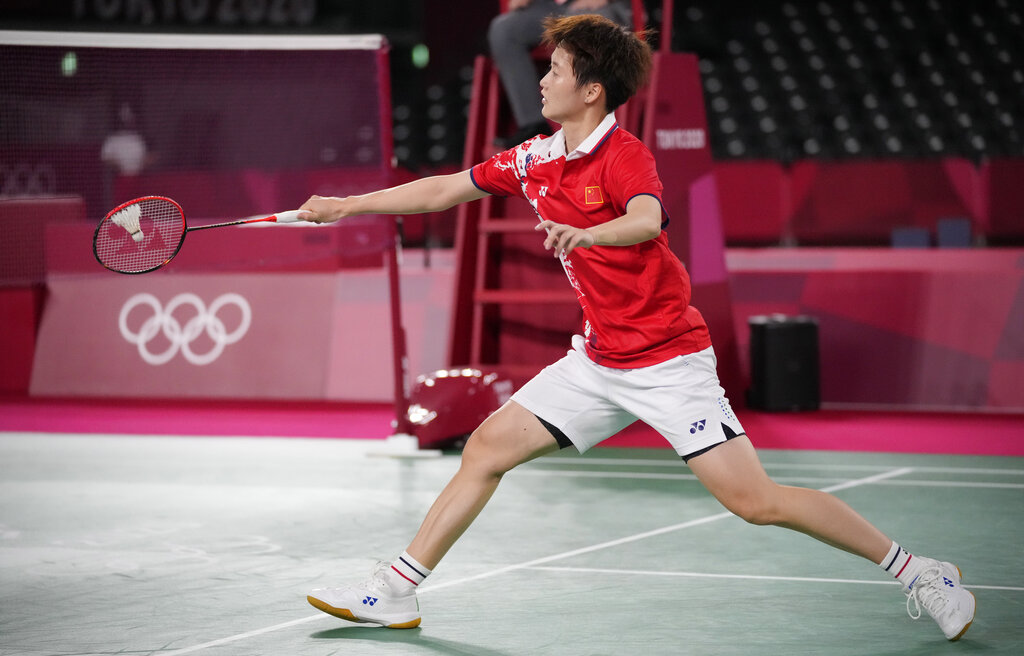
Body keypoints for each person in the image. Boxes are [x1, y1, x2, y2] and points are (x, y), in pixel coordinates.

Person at [299, 15, 976, 642]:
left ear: (591, 90)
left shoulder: (624, 155)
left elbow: (646, 219)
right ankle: (395, 591)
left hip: (669, 362)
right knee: (486, 449)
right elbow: (445, 189)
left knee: (757, 502)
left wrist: (589, 234)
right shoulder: (534, 158)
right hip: (598, 361)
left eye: (556, 69)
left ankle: (920, 571)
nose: (542, 80)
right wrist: (347, 206)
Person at [489, 0, 632, 147]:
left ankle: (592, 137)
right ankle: (534, 126)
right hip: (553, 7)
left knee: (588, 30)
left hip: (605, 7)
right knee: (504, 29)